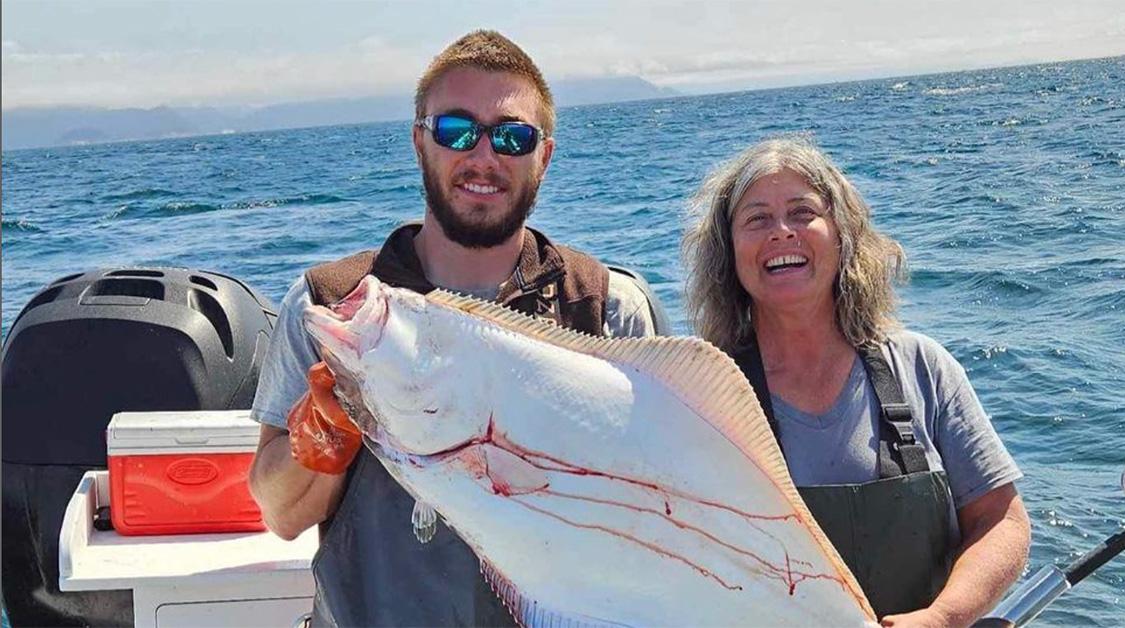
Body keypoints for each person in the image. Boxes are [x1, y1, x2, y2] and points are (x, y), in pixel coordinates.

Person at [248, 30, 659, 627]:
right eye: (456, 131)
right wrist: (327, 432)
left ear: (543, 155)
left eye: (512, 136)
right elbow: (282, 516)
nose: (483, 157)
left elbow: (653, 509)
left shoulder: (604, 307)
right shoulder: (338, 307)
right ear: (420, 141)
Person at [682, 136, 1031, 627]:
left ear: (842, 234)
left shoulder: (922, 368)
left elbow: (1001, 521)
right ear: (729, 253)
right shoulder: (703, 394)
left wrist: (943, 617)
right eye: (757, 218)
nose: (782, 232)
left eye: (803, 213)